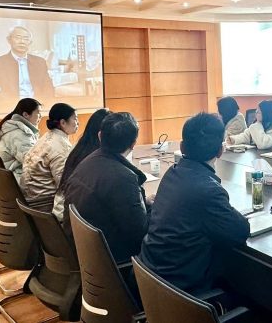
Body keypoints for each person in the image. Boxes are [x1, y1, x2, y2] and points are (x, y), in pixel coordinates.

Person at [139, 112, 249, 295]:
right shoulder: (208, 190)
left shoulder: (172, 173)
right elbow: (240, 231)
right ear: (220, 150)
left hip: (149, 279)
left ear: (182, 147)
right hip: (180, 293)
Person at [62, 112, 148, 263]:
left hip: (79, 250)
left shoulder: (87, 161)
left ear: (100, 136)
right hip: (109, 261)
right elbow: (139, 233)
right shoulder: (123, 178)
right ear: (133, 143)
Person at [52, 108, 111, 221]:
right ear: (101, 134)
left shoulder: (79, 146)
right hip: (69, 219)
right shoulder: (96, 156)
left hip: (62, 213)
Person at [21, 103, 78, 206]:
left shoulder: (47, 137)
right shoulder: (60, 147)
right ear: (63, 123)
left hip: (29, 197)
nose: (78, 122)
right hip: (43, 203)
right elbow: (64, 184)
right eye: (75, 119)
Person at [0, 98, 42, 187]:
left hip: (2, 180)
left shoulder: (12, 127)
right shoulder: (20, 134)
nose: (41, 116)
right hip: (13, 182)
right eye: (38, 113)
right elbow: (32, 162)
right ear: (26, 114)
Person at [0, 25, 55, 100]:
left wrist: (43, 104)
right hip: (11, 104)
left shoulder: (40, 62)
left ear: (30, 42)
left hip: (37, 104)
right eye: (18, 38)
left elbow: (48, 88)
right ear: (9, 40)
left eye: (26, 39)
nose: (22, 42)